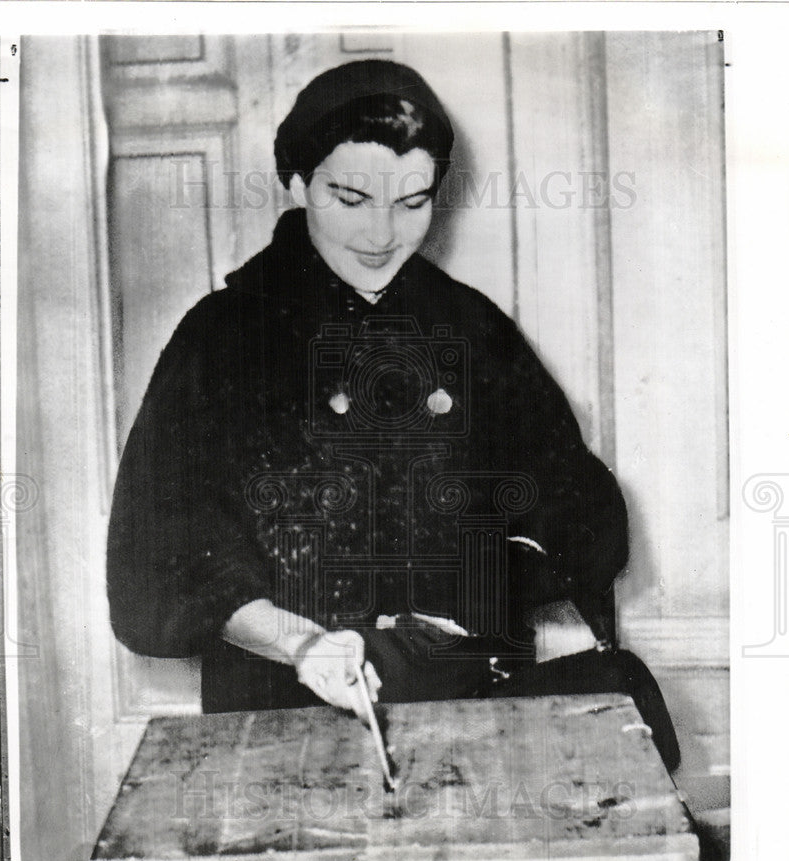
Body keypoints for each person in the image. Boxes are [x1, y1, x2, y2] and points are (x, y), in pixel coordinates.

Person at [107, 59, 679, 770]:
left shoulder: (470, 329)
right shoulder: (222, 339)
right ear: (297, 184)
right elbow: (158, 564)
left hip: (473, 706)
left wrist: (479, 586)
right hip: (286, 716)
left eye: (412, 201)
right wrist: (305, 645)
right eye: (350, 197)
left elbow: (582, 517)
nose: (381, 233)